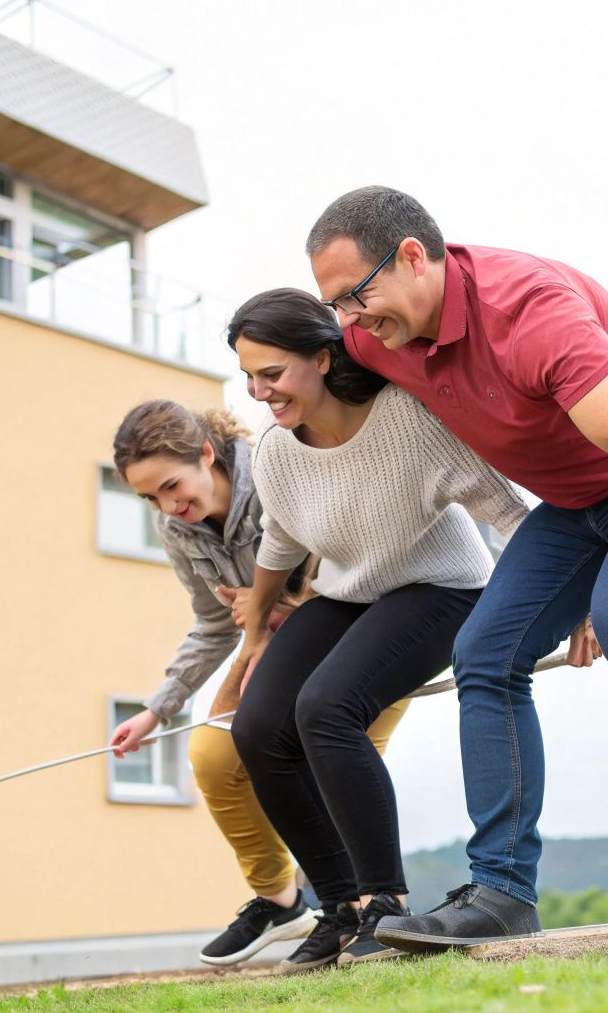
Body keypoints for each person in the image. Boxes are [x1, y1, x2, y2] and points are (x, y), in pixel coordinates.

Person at [302, 186, 608, 950]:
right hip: (578, 499)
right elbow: (317, 389)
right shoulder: (371, 337)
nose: (352, 322)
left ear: (414, 257)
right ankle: (501, 892)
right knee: (483, 652)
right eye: (336, 309)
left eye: (356, 298)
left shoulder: (529, 310)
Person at [223, 287, 532, 969]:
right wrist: (254, 635)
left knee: (327, 708)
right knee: (257, 726)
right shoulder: (277, 451)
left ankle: (383, 903)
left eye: (271, 373)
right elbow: (279, 544)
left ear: (324, 358)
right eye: (248, 377)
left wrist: (577, 603)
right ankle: (337, 908)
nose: (259, 391)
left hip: (442, 586)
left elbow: (508, 511)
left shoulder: (407, 420)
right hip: (349, 593)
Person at [108, 402, 411, 965]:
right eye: (151, 498)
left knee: (330, 748)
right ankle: (283, 900)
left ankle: (373, 908)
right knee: (215, 755)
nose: (169, 507)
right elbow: (213, 621)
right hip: (269, 643)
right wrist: (158, 709)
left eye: (172, 486)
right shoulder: (177, 526)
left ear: (205, 453)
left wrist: (280, 603)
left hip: (364, 627)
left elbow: (363, 567)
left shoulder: (286, 468)